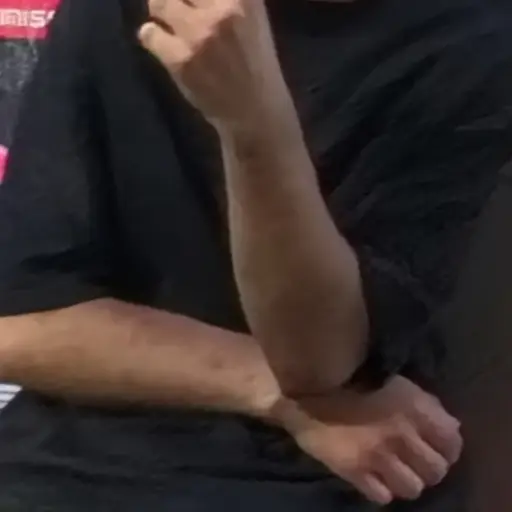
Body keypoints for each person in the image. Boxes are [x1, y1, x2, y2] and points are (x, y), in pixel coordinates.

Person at [0, 0, 510, 509]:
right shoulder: (119, 13)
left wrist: (254, 120)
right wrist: (266, 389)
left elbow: (320, 362)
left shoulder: (470, 42)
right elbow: (18, 325)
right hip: (66, 462)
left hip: (326, 475)